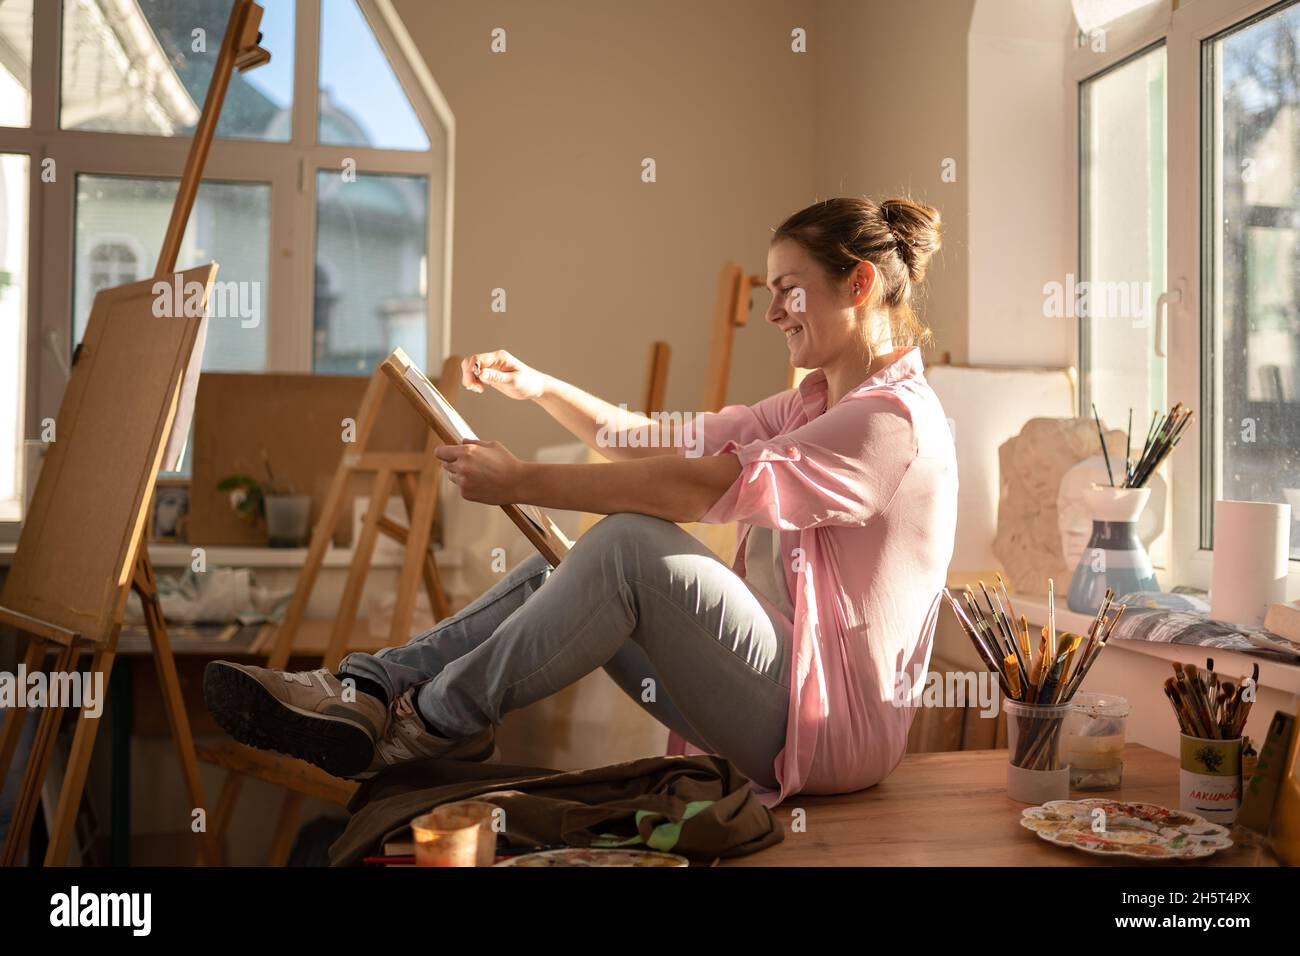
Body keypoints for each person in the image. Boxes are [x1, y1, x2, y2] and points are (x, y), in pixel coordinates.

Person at [203, 196, 958, 808]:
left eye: (787, 291)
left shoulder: (890, 423)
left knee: (628, 544)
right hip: (774, 704)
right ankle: (369, 685)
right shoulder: (811, 405)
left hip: (831, 734)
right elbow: (650, 437)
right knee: (561, 567)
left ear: (858, 284)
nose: (773, 314)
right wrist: (540, 387)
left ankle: (425, 724)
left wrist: (523, 480)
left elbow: (701, 485)